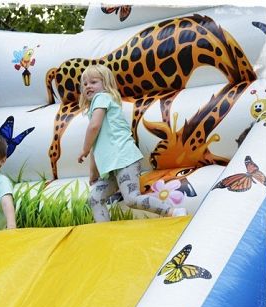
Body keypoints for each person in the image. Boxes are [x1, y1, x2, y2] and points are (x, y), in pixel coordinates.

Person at [77, 64, 187, 222]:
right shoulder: (95, 108)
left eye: (93, 82)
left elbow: (93, 128)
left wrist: (84, 150)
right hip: (112, 167)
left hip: (124, 158)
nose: (88, 86)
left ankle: (172, 211)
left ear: (106, 84)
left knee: (131, 199)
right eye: (85, 83)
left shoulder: (102, 97)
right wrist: (93, 171)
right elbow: (97, 142)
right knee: (94, 198)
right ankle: (104, 232)